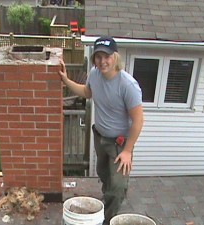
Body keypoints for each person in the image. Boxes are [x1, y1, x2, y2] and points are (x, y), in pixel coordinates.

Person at [59, 36, 144, 225]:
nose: (102, 61)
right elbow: (87, 93)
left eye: (106, 56)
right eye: (98, 56)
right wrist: (65, 80)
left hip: (119, 144)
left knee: (118, 186)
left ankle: (108, 220)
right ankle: (108, 205)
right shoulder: (94, 74)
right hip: (100, 138)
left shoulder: (127, 85)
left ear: (115, 57)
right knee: (104, 175)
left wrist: (128, 151)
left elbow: (138, 120)